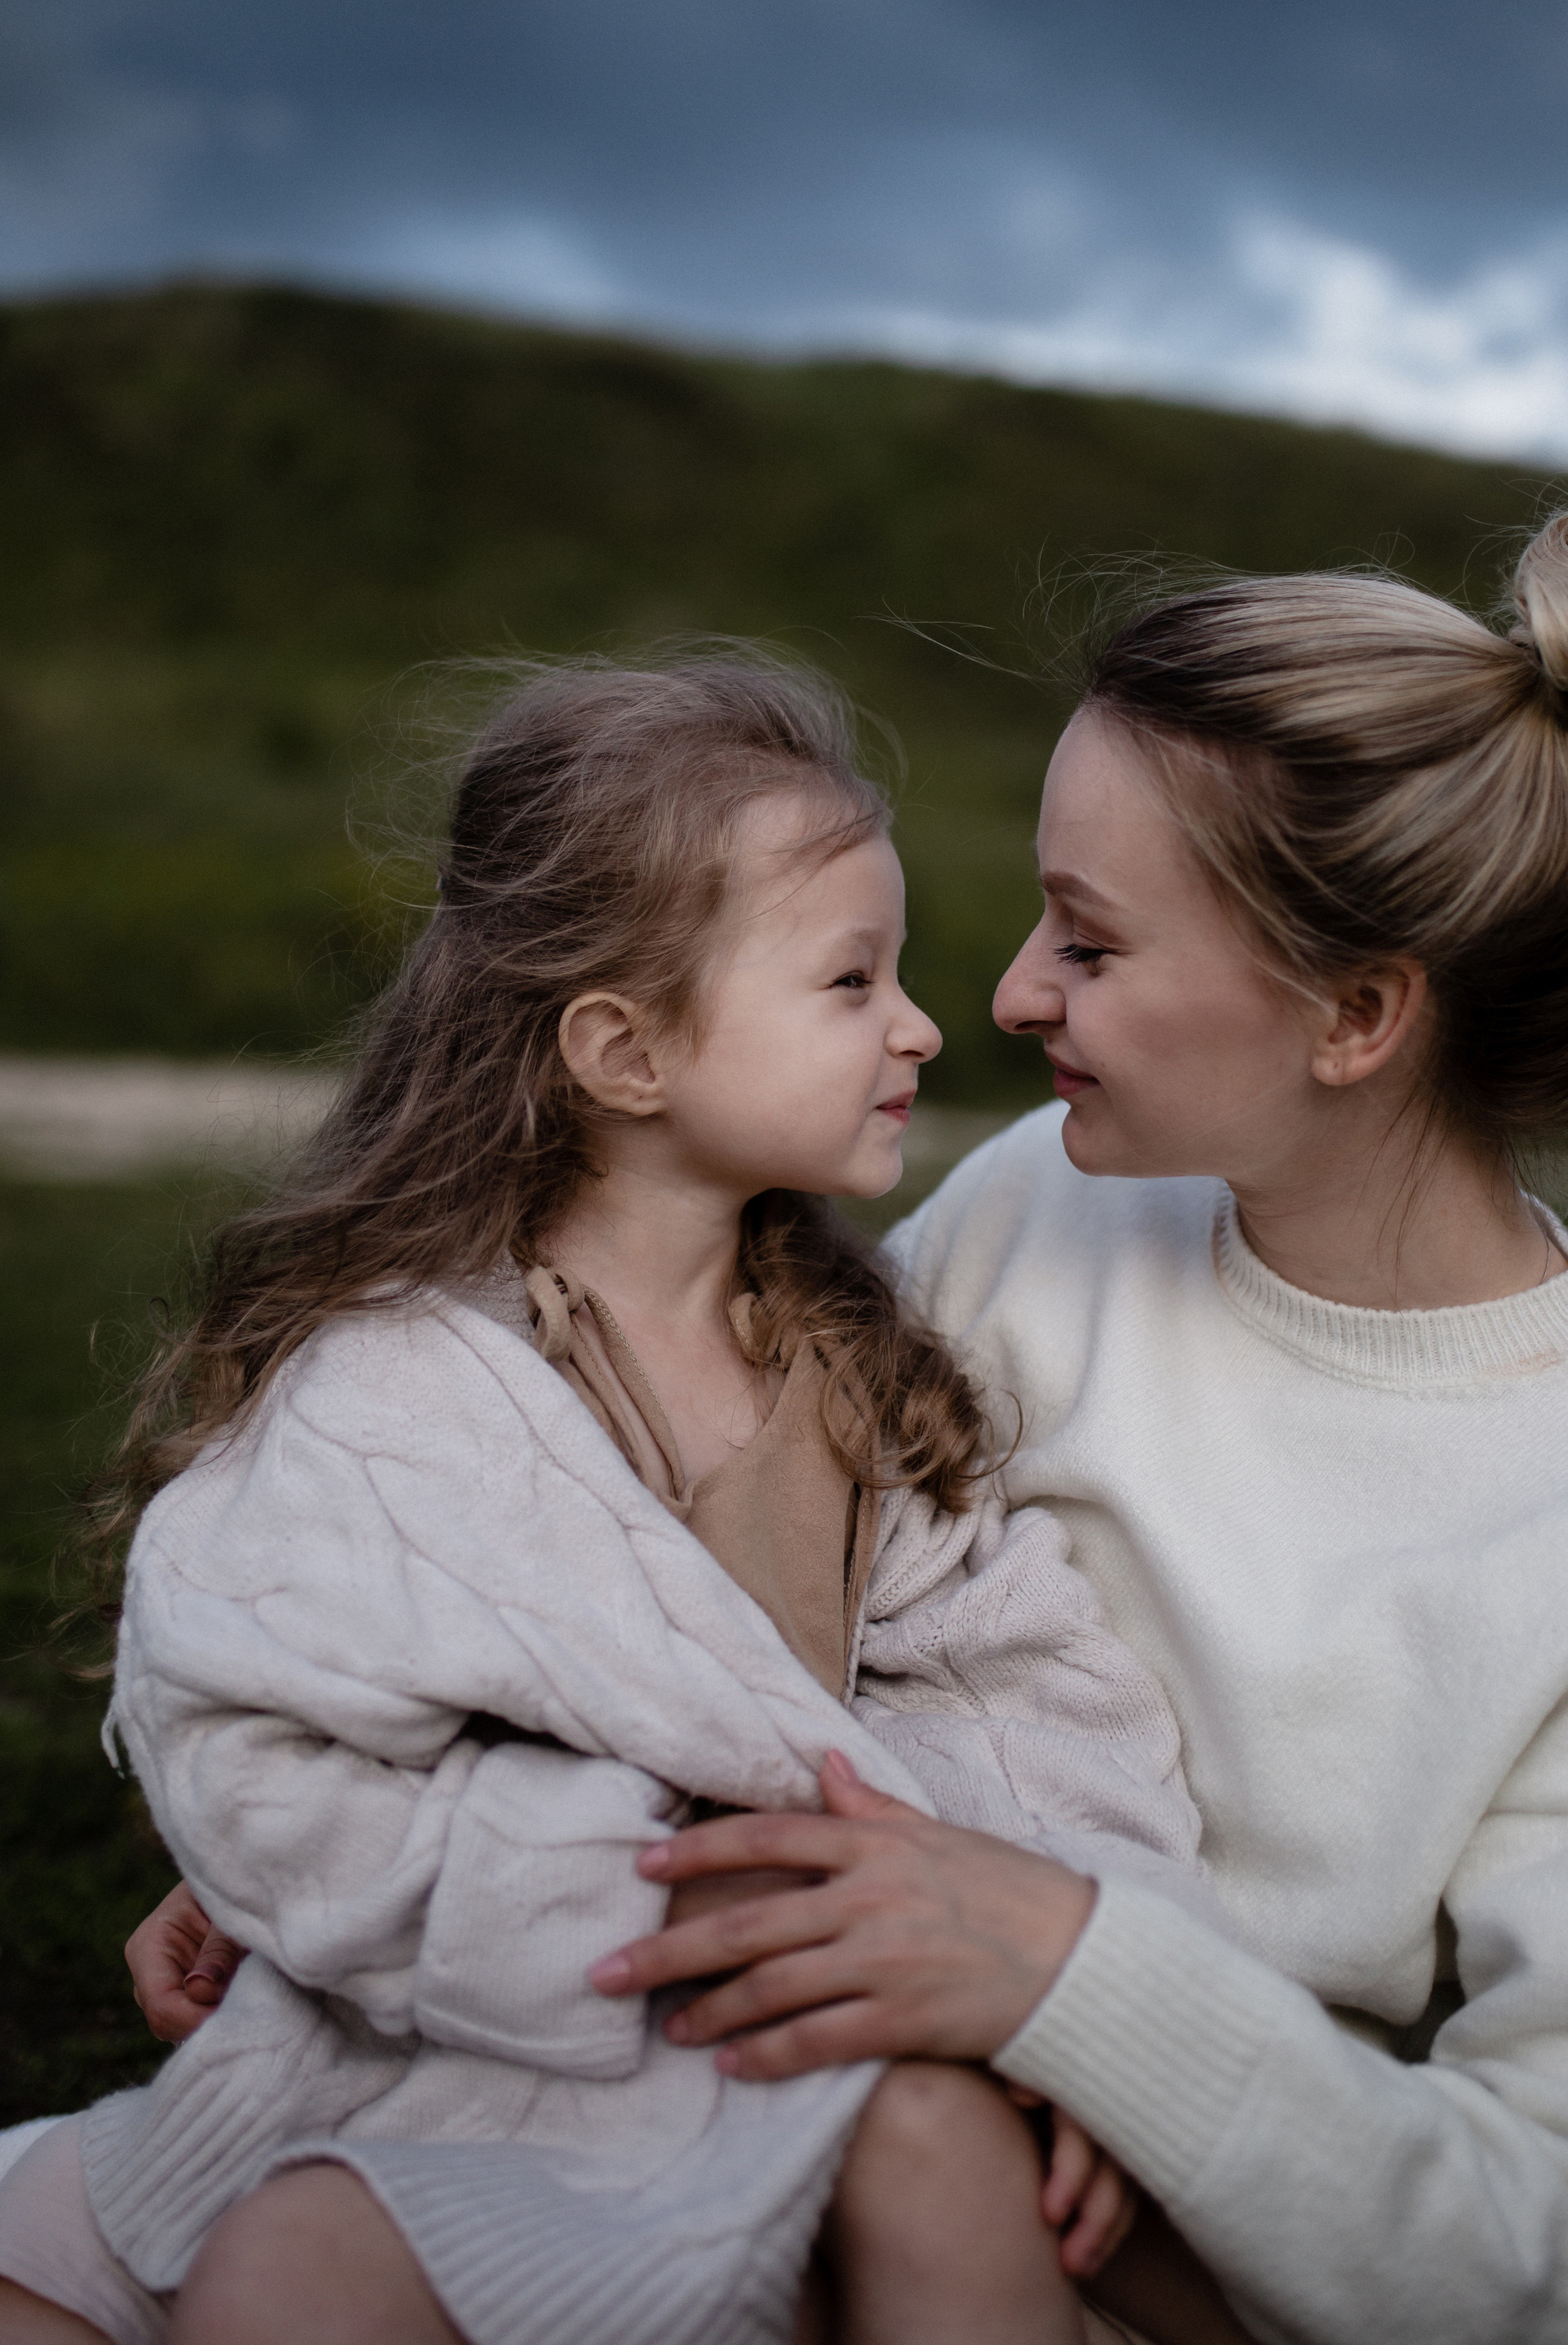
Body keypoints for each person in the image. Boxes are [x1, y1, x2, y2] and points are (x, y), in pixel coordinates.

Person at [0, 653, 1232, 2345]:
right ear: (625, 1049)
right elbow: (256, 1736)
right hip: (474, 2041)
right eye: (852, 982)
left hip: (805, 2030)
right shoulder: (392, 1399)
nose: (923, 1024)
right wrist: (637, 1898)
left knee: (949, 2190)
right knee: (230, 2274)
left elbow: (1033, 1698)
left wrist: (1069, 1973)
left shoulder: (858, 1373)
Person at [586, 514, 1568, 2345]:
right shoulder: (1052, 1191)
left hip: (1109, 2256)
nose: (1014, 995)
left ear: (1356, 1014)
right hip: (721, 2067)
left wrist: (1057, 1974)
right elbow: (739, 1534)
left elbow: (1520, 2248)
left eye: (1092, 945)